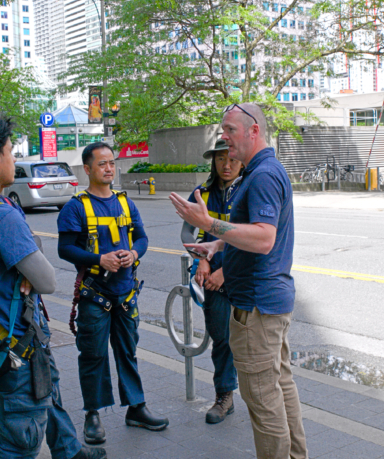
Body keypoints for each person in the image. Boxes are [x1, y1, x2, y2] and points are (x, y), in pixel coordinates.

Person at [0, 115, 105, 459]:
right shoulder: (0, 215)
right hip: (15, 347)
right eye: (10, 151)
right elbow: (47, 280)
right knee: (18, 442)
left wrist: (22, 266)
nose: (14, 158)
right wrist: (28, 269)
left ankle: (69, 450)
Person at [170, 103, 308, 459]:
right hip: (269, 303)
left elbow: (263, 239)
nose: (224, 137)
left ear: (253, 131)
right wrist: (218, 244)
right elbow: (255, 234)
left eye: (230, 130)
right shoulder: (262, 171)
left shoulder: (262, 176)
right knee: (280, 387)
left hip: (257, 307)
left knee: (263, 399)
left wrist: (209, 224)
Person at [57, 142, 169, 445]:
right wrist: (99, 260)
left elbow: (142, 238)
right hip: (95, 295)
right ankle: (92, 414)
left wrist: (134, 253)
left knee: (127, 352)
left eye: (112, 163)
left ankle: (136, 407)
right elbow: (65, 249)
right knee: (93, 355)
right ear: (87, 169)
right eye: (102, 164)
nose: (109, 168)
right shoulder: (76, 207)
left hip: (126, 294)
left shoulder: (125, 203)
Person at [179, 139, 242, 424]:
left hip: (244, 279)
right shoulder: (201, 194)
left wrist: (226, 271)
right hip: (213, 282)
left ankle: (259, 396)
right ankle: (225, 395)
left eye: (231, 159)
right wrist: (201, 259)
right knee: (222, 339)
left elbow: (255, 237)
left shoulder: (249, 191)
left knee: (253, 341)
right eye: (220, 159)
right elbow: (187, 234)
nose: (226, 165)